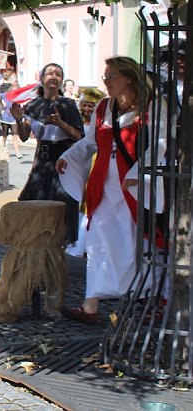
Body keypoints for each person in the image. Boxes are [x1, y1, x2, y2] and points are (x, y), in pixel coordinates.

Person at [56, 57, 165, 324]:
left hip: (134, 189)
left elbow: (161, 146)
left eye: (112, 76)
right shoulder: (104, 107)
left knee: (134, 244)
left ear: (129, 77)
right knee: (98, 243)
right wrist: (68, 157)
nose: (106, 81)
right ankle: (90, 306)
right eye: (105, 76)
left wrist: (140, 172)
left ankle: (147, 298)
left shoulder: (153, 107)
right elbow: (91, 142)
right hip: (103, 186)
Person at [11, 63, 84, 244]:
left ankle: (57, 254)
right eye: (49, 73)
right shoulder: (34, 105)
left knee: (59, 213)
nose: (53, 77)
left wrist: (60, 123)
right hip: (42, 166)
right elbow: (24, 136)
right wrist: (19, 119)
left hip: (62, 165)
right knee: (34, 209)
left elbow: (78, 136)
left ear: (61, 80)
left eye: (58, 74)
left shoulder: (68, 104)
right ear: (42, 79)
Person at [0, 82, 22, 159]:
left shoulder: (17, 96)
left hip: (13, 118)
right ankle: (2, 151)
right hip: (5, 118)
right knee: (4, 135)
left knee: (15, 135)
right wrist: (1, 102)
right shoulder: (4, 95)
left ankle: (17, 153)